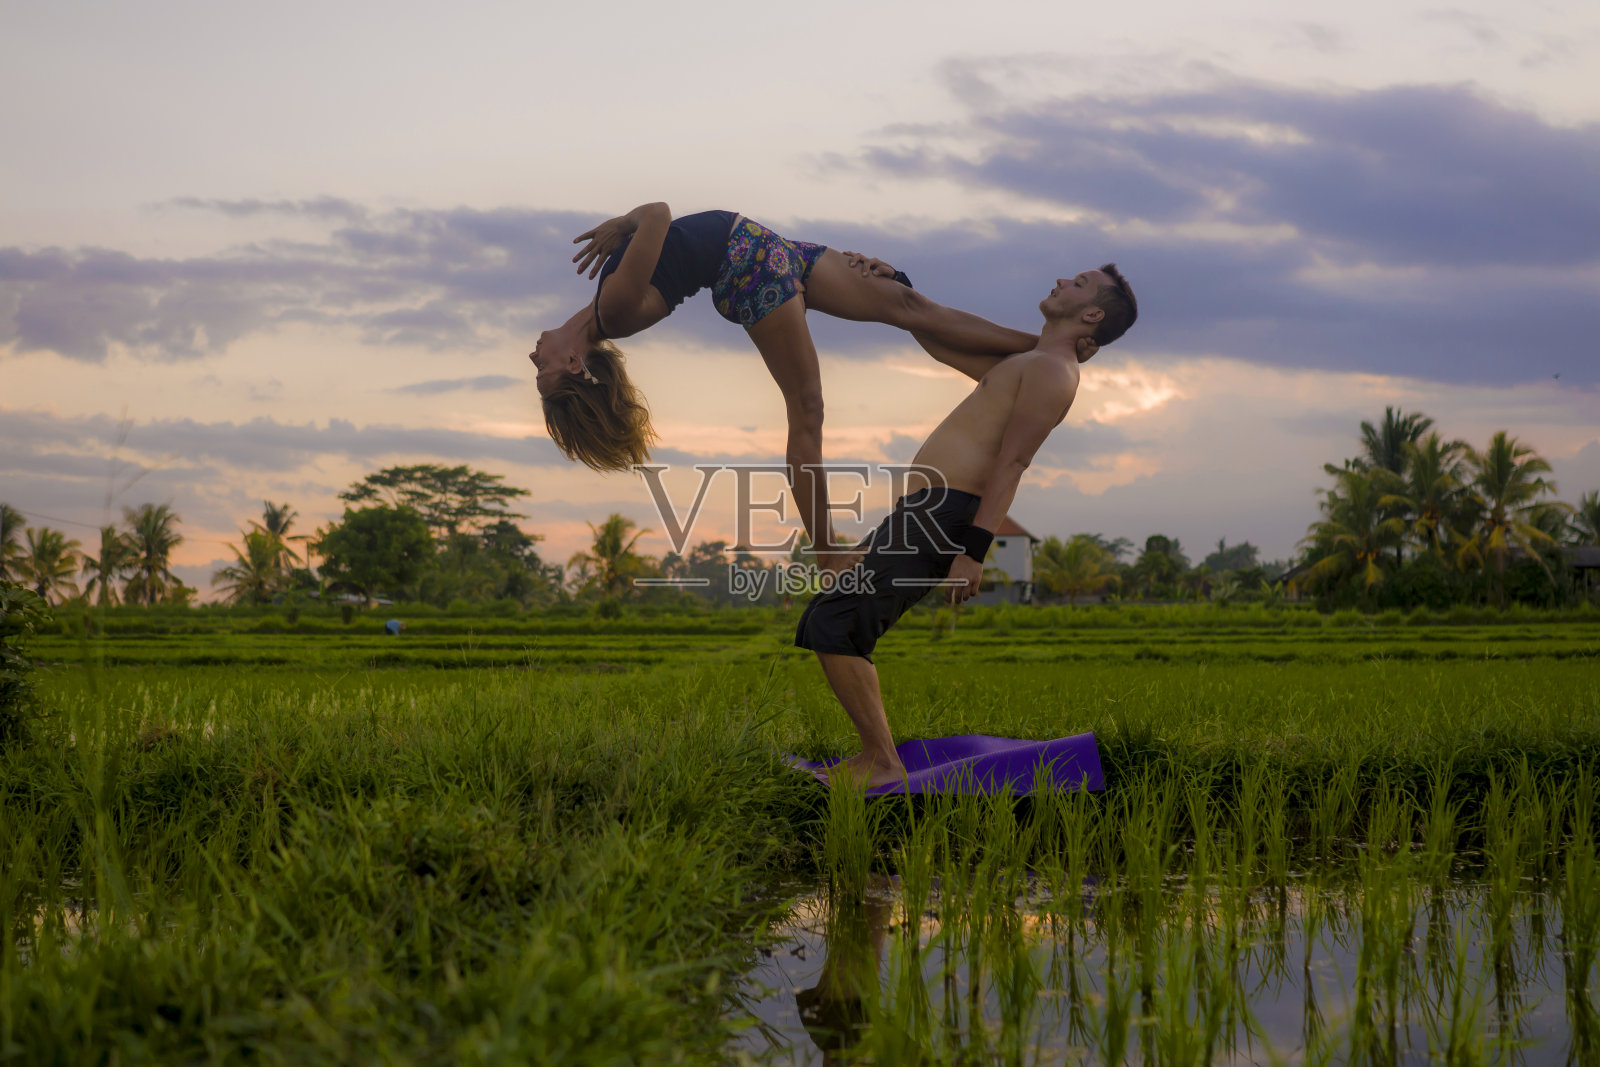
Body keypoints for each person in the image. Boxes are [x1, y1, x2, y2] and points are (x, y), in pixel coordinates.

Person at [527, 203, 1038, 570]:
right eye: (541, 373)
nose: (533, 359)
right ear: (573, 363)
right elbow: (658, 214)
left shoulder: (607, 309)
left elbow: (662, 223)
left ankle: (1040, 349)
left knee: (908, 305)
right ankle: (829, 553)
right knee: (807, 407)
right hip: (749, 269)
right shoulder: (611, 310)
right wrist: (624, 224)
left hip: (770, 248)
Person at [793, 262, 1138, 788]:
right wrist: (897, 288)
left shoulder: (1051, 371)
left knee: (836, 623)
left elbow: (1013, 462)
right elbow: (936, 341)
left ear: (1091, 313)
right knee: (832, 612)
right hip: (926, 510)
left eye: (1080, 283)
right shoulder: (1030, 361)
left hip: (947, 515)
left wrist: (974, 551)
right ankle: (878, 756)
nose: (1064, 279)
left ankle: (881, 762)